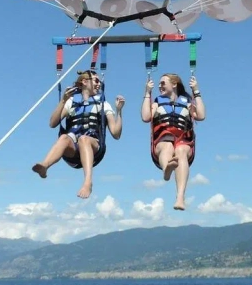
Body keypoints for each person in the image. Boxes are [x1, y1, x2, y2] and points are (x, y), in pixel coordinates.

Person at [32, 69, 124, 198]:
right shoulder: (71, 102)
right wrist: (63, 101)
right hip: (73, 151)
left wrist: (119, 112)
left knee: (84, 139)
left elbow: (116, 133)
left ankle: (87, 182)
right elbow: (53, 123)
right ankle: (45, 166)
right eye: (96, 80)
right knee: (64, 137)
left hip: (94, 146)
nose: (99, 84)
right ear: (85, 82)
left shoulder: (104, 104)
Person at [141, 72, 205, 211]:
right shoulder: (157, 102)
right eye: (159, 84)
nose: (160, 85)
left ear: (174, 84)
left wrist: (196, 90)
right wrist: (147, 92)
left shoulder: (187, 103)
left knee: (180, 150)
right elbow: (146, 117)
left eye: (163, 83)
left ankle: (180, 197)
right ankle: (167, 169)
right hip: (162, 140)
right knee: (167, 146)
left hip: (184, 141)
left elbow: (201, 115)